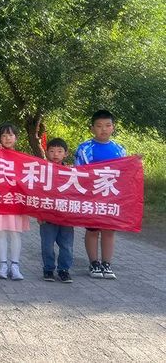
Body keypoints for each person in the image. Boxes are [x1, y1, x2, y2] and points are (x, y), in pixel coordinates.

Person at [75, 109, 126, 279]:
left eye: (107, 125)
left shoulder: (120, 149)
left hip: (112, 197)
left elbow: (125, 174)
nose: (103, 129)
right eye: (99, 126)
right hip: (92, 197)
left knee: (109, 231)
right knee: (92, 230)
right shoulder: (84, 149)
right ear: (92, 128)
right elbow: (78, 174)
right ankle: (94, 263)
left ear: (113, 127)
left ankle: (107, 263)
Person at [0, 123, 30, 280]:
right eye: (4, 135)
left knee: (15, 233)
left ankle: (15, 266)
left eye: (11, 135)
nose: (7, 138)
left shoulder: (22, 157)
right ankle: (3, 265)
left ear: (16, 138)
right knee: (1, 232)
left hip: (16, 201)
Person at [39, 138, 74, 283]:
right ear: (46, 152)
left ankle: (64, 270)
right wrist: (39, 214)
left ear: (66, 153)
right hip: (47, 216)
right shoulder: (42, 170)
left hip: (66, 216)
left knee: (67, 245)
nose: (55, 154)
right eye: (52, 151)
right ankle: (48, 269)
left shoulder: (72, 172)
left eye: (59, 151)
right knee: (47, 245)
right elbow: (37, 193)